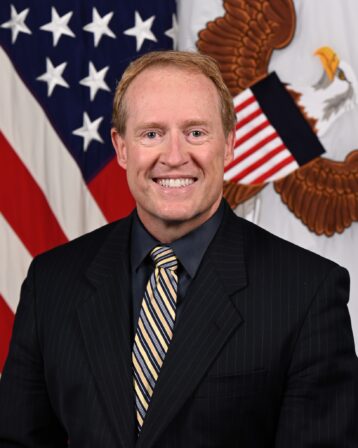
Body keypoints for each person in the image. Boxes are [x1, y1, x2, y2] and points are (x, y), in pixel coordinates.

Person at [0, 51, 357, 448]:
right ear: (121, 148)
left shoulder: (307, 292)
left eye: (196, 132)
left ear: (230, 144)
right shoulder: (51, 282)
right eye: (152, 133)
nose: (174, 157)